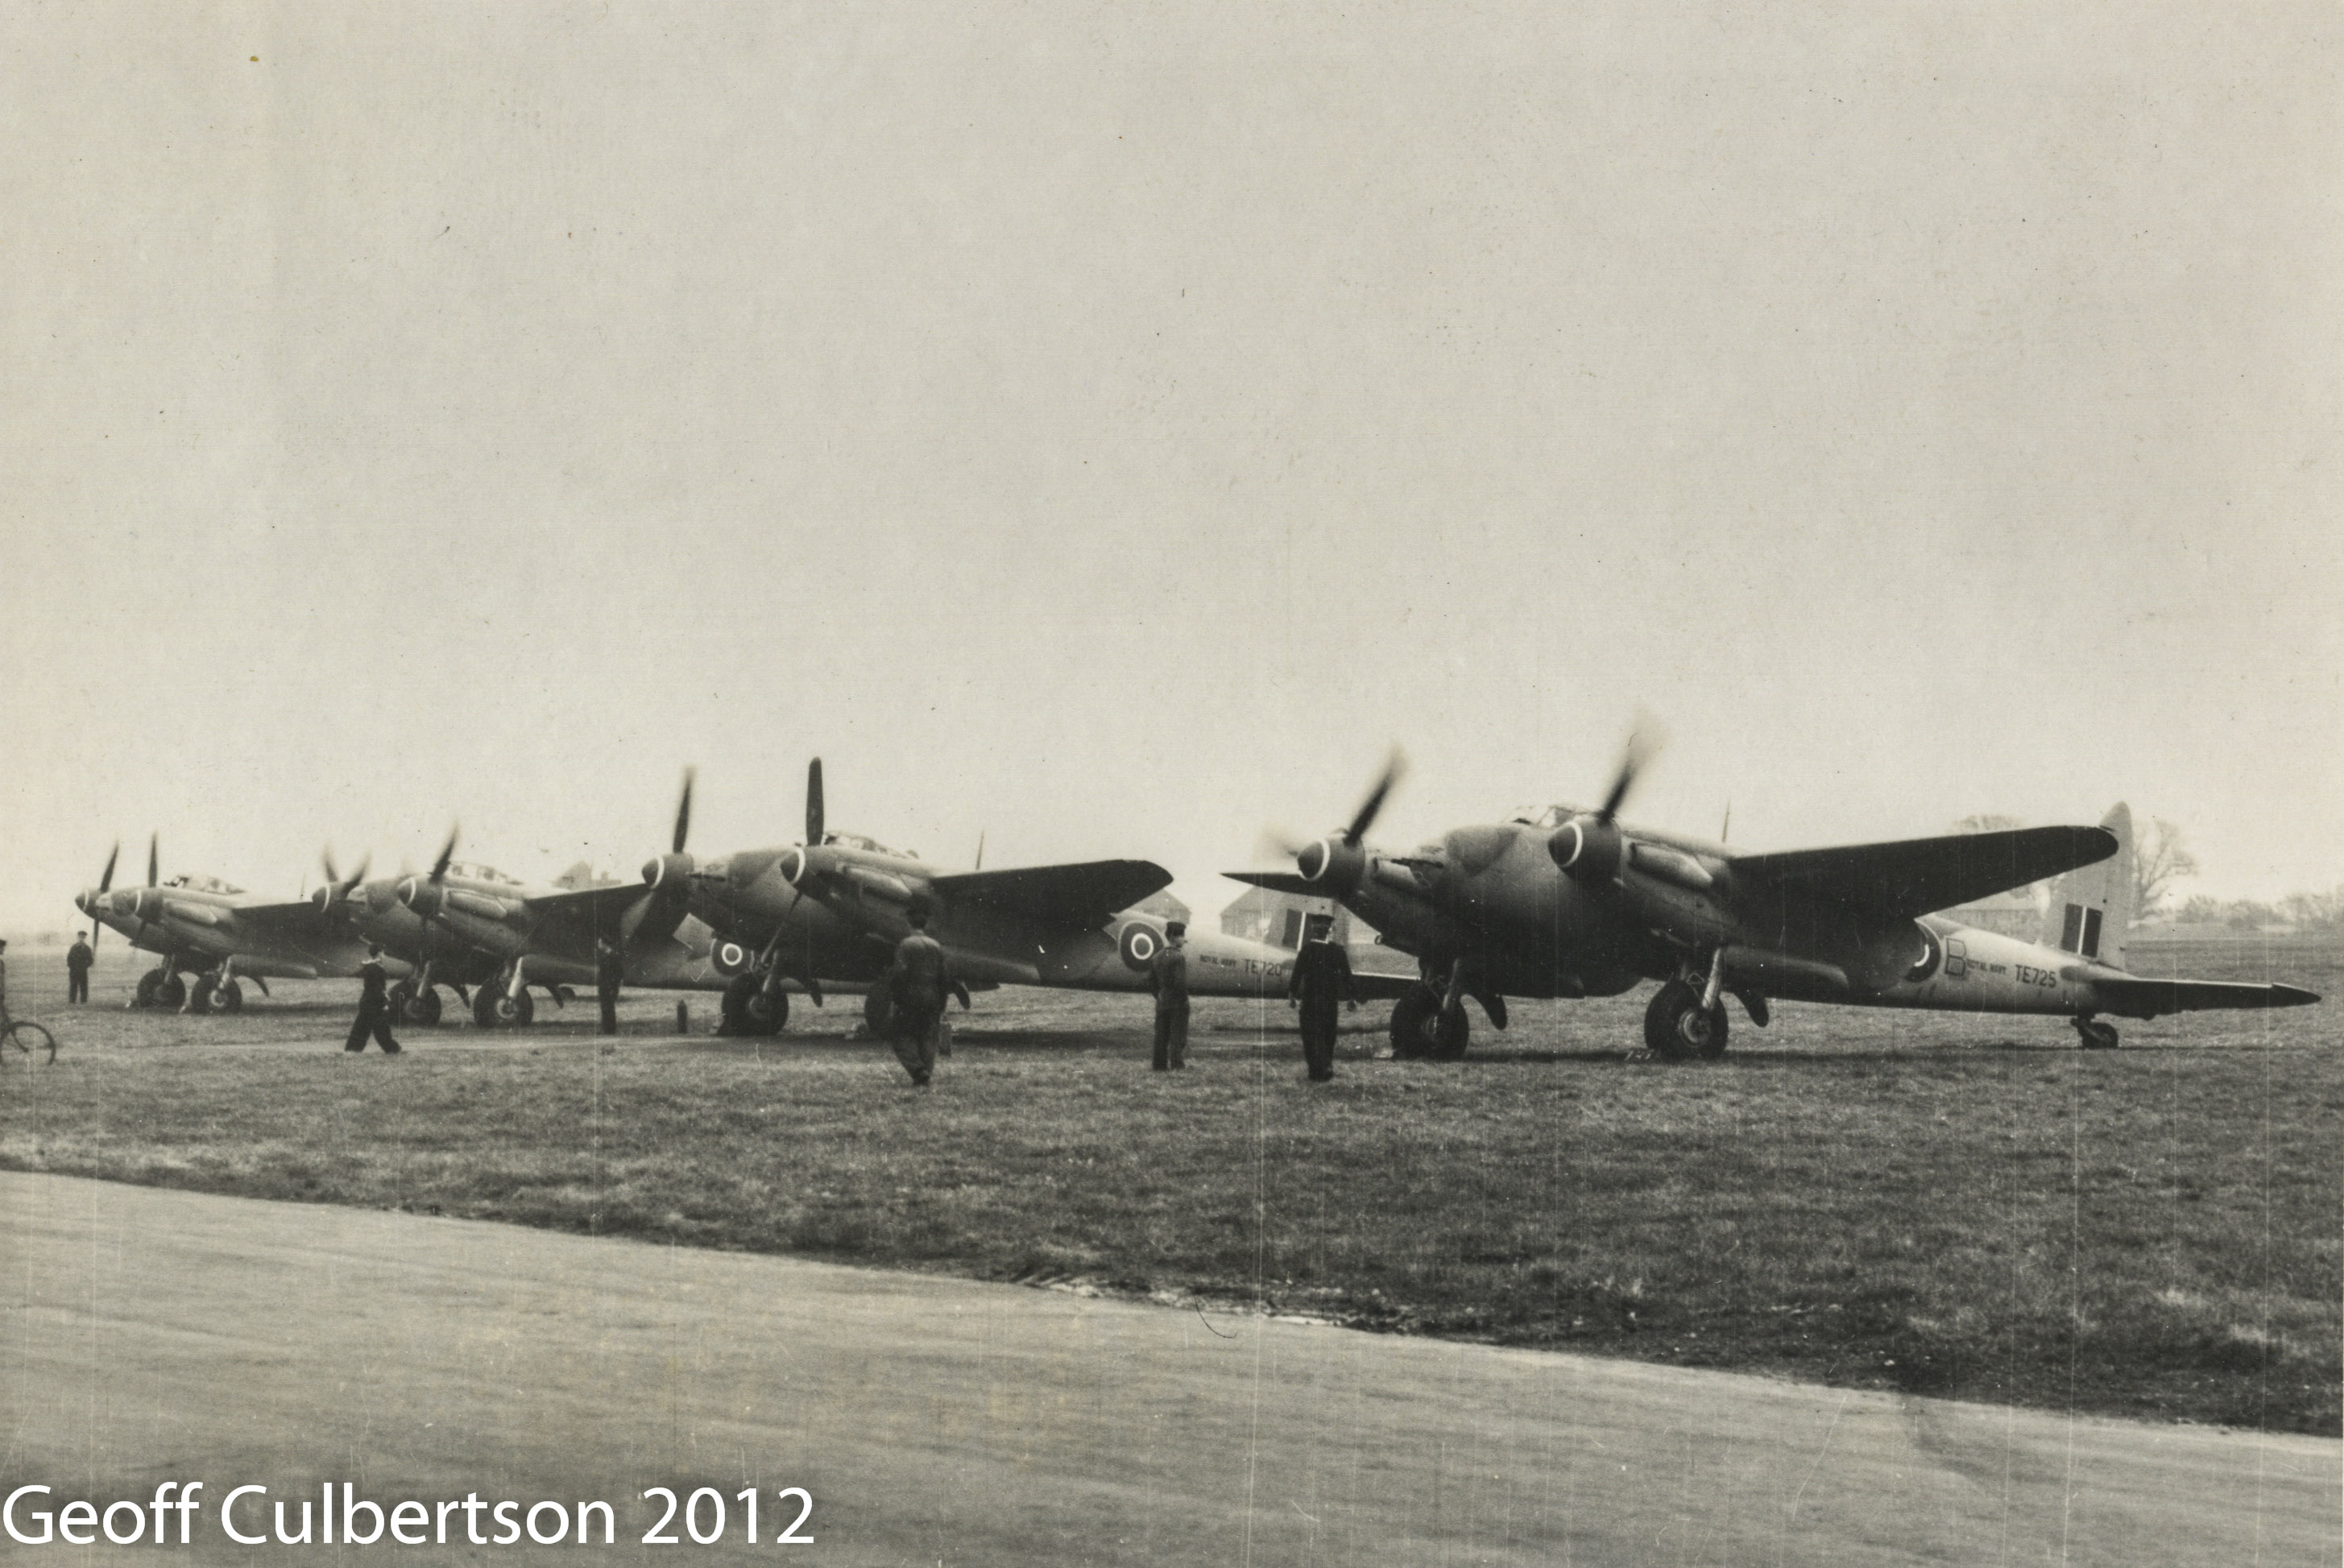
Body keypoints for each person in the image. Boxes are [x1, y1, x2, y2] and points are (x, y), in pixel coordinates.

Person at [885, 902, 967, 1086]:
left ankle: (917, 1069)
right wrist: (942, 1001)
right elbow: (944, 976)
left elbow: (900, 974)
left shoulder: (906, 945)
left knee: (901, 1036)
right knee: (928, 1037)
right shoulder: (935, 946)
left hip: (910, 997)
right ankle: (925, 1075)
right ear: (925, 925)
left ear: (908, 923)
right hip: (932, 998)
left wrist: (896, 998)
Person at [1286, 913, 1357, 1082]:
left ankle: (1316, 1070)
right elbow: (1348, 976)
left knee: (1311, 1034)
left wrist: (1292, 994)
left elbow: (1297, 974)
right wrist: (1351, 997)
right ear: (1329, 930)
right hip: (1330, 1001)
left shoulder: (1307, 950)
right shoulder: (1338, 951)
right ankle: (1326, 1067)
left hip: (1311, 1000)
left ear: (1313, 930)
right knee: (1328, 1033)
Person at [345, 944, 402, 1054]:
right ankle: (392, 1049)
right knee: (381, 1028)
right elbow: (377, 987)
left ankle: (352, 1049)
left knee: (362, 1028)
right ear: (380, 953)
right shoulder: (376, 968)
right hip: (374, 1003)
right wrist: (385, 1000)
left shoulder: (371, 966)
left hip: (367, 1002)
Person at [1149, 921, 1190, 1070]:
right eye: (1181, 936)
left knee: (1161, 1036)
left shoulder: (1156, 957)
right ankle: (1177, 1065)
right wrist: (1183, 1001)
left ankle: (1159, 1066)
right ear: (1174, 938)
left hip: (1162, 1001)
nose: (1184, 939)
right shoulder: (1178, 957)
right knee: (1177, 1036)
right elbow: (1180, 982)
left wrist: (1159, 996)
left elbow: (1151, 981)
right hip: (1178, 1002)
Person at [594, 937, 623, 1036]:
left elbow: (618, 972)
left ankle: (609, 1030)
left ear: (604, 944)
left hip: (609, 985)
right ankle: (606, 1029)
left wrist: (614, 986)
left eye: (599, 943)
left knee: (609, 1007)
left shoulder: (612, 956)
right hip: (604, 985)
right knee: (605, 1007)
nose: (598, 945)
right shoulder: (606, 956)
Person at [66, 932, 93, 1004]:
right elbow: (69, 958)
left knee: (83, 985)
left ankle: (83, 1000)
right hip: (73, 970)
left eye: (83, 937)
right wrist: (71, 967)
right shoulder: (73, 947)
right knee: (73, 985)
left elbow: (91, 960)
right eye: (80, 937)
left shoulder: (87, 948)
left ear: (85, 938)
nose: (81, 939)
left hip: (83, 970)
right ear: (78, 937)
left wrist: (85, 966)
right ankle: (72, 1000)